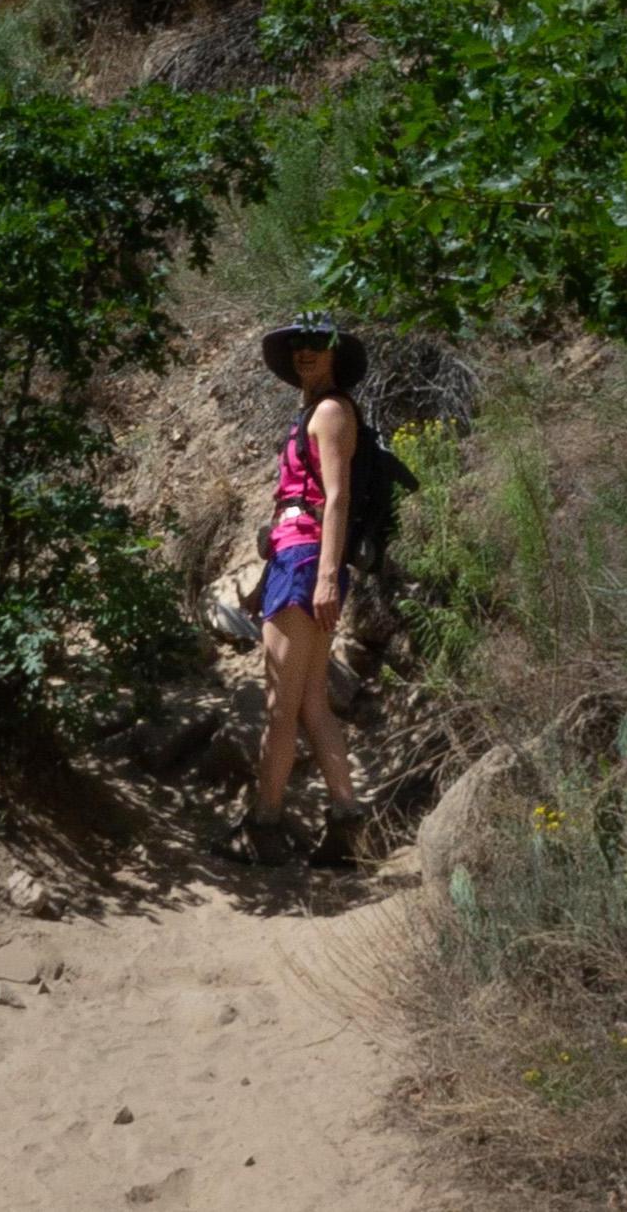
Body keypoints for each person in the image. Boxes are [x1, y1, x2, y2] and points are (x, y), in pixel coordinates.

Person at [231, 316, 371, 865]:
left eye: (316, 346)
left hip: (305, 559)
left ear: (336, 355)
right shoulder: (312, 413)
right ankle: (346, 825)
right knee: (312, 703)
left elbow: (337, 498)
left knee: (279, 707)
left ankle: (262, 829)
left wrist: (328, 575)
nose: (304, 354)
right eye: (298, 346)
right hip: (299, 555)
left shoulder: (332, 412)